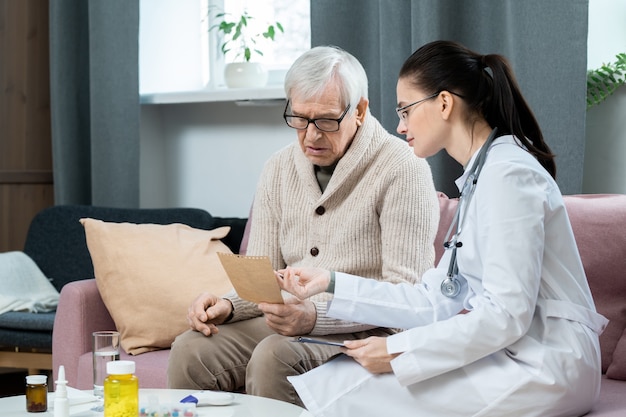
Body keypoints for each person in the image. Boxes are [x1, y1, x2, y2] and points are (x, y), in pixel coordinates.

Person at [276, 40, 608, 417]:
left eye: (405, 110)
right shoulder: (481, 177)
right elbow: (437, 300)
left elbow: (506, 314)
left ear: (445, 104)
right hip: (517, 351)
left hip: (548, 363)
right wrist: (331, 282)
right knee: (337, 383)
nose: (399, 126)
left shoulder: (508, 174)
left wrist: (398, 351)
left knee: (346, 391)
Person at [167, 45, 440, 406]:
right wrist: (227, 306)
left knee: (274, 358)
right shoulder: (278, 168)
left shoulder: (403, 169)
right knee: (191, 348)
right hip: (292, 320)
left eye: (326, 120)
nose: (311, 136)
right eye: (299, 118)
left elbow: (408, 294)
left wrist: (315, 316)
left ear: (359, 110)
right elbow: (263, 278)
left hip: (369, 328)